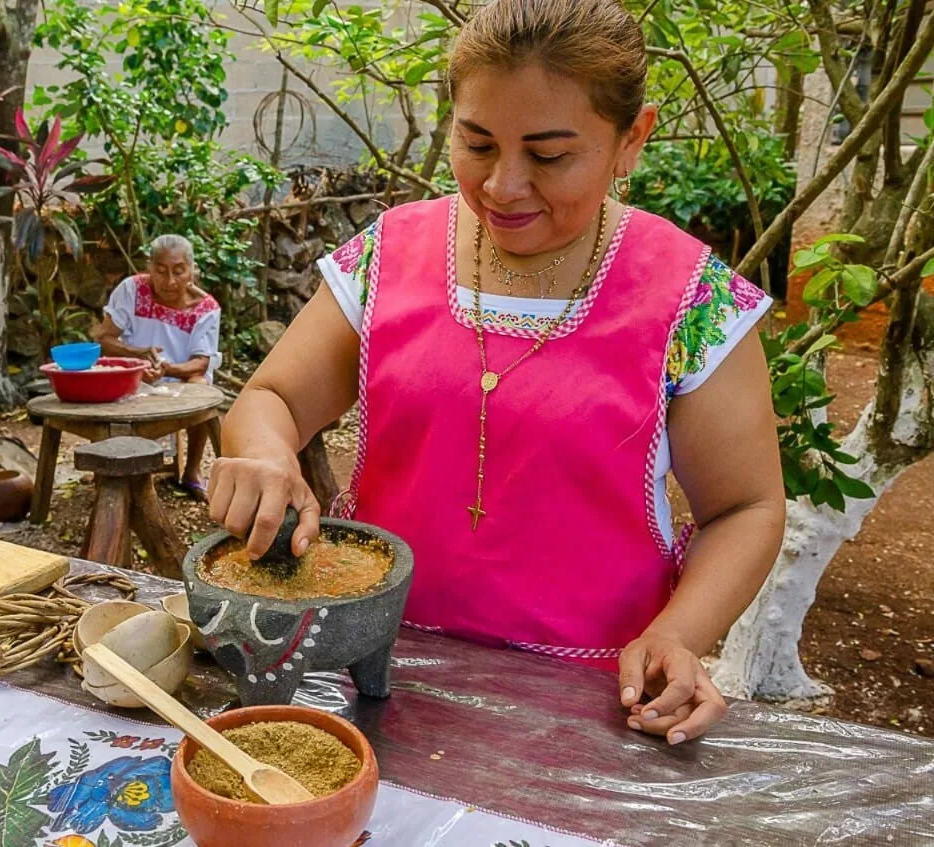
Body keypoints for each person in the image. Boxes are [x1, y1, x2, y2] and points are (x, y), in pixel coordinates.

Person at [209, 0, 785, 745]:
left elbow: (745, 508)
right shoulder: (392, 255)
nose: (504, 187)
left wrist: (679, 634)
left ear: (630, 140)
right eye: (477, 144)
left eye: (548, 156)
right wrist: (264, 450)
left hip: (590, 709)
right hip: (370, 677)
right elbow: (274, 397)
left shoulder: (687, 298)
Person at [95, 234, 222, 498]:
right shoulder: (132, 290)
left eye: (178, 271)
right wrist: (138, 356)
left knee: (202, 388)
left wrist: (166, 370)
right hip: (132, 373)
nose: (170, 281)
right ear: (149, 268)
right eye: (161, 271)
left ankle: (192, 471)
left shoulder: (205, 308)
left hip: (181, 378)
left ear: (191, 271)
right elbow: (105, 338)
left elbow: (201, 362)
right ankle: (113, 466)